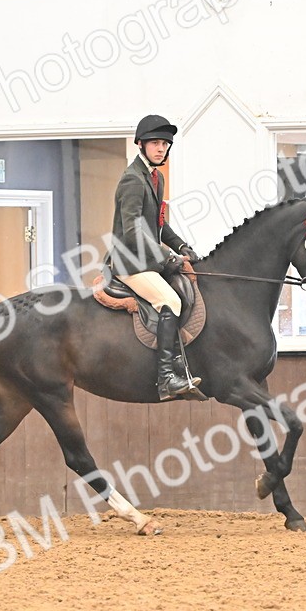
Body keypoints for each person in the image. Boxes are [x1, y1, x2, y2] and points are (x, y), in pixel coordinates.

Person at [105, 114, 202, 401]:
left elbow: (158, 224)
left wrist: (181, 246)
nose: (161, 149)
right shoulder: (133, 180)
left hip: (145, 259)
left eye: (165, 144)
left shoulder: (154, 178)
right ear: (140, 145)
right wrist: (164, 256)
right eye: (155, 143)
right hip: (129, 262)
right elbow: (134, 229)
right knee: (169, 300)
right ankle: (167, 379)